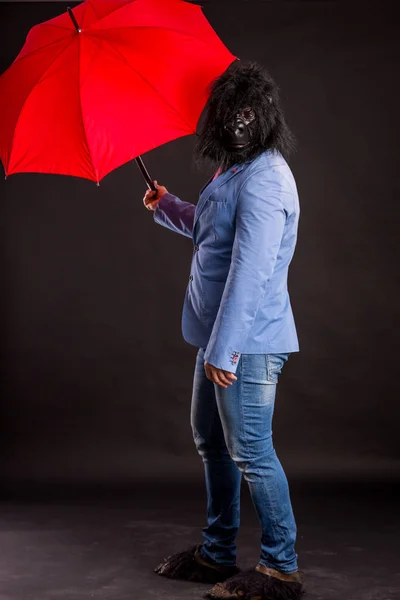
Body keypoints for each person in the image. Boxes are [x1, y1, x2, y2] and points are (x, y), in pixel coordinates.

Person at [143, 61, 304, 600]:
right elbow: (213, 232)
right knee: (211, 442)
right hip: (219, 337)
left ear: (263, 118)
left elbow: (251, 271)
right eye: (229, 113)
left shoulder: (266, 178)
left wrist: (228, 351)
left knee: (251, 451)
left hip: (246, 343)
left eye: (247, 113)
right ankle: (217, 553)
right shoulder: (234, 170)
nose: (237, 123)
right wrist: (165, 204)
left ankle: (280, 566)